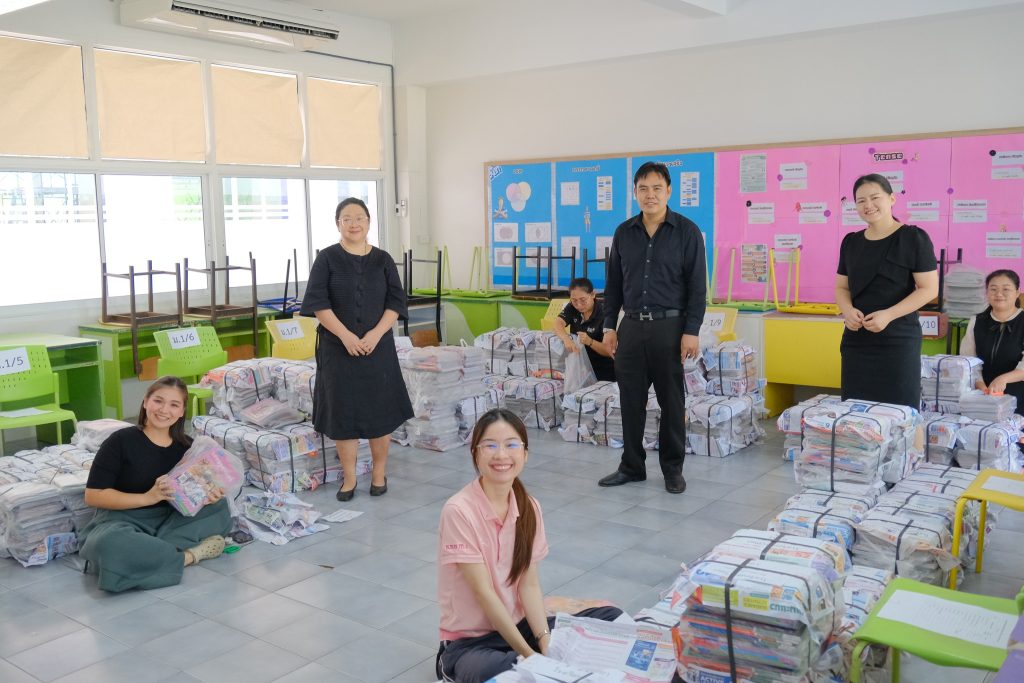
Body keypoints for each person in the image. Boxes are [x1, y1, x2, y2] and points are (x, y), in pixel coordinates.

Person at [436, 409, 622, 683]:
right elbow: (485, 594)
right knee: (514, 673)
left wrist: (545, 642)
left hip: (520, 626)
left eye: (511, 445)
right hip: (472, 644)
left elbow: (529, 585)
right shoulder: (459, 510)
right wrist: (530, 656)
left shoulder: (529, 507)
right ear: (475, 453)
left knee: (611, 618)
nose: (501, 455)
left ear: (525, 454)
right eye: (490, 445)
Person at [598, 162, 706, 494]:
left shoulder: (687, 232)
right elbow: (613, 285)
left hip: (670, 328)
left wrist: (692, 330)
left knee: (672, 403)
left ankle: (672, 469)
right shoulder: (623, 232)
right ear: (635, 192)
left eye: (657, 188)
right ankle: (632, 466)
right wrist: (609, 326)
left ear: (668, 191)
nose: (650, 195)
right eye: (643, 188)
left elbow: (697, 287)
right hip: (630, 327)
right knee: (630, 400)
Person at [301, 197, 413, 501]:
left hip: (378, 348)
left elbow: (395, 303)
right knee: (343, 415)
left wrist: (375, 334)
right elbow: (318, 303)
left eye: (360, 218)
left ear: (369, 222)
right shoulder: (327, 259)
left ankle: (379, 474)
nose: (354, 224)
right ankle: (349, 478)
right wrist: (346, 337)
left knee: (381, 413)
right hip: (338, 350)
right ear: (338, 224)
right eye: (347, 219)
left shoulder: (383, 260)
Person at [79, 376, 232, 593]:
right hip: (124, 520)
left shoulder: (188, 448)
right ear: (145, 402)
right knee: (109, 543)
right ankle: (189, 556)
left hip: (171, 519)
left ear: (182, 411)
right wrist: (148, 497)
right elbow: (93, 495)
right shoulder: (120, 441)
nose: (164, 410)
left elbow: (194, 495)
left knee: (220, 508)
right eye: (158, 401)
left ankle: (147, 554)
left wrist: (207, 495)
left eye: (174, 405)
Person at [835, 174, 939, 407]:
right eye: (861, 201)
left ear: (891, 199)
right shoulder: (851, 242)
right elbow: (841, 287)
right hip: (857, 339)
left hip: (898, 340)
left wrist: (889, 315)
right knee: (856, 410)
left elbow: (929, 289)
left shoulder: (913, 238)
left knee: (901, 411)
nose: (868, 205)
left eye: (875, 198)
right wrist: (847, 310)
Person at [960, 269, 1024, 415]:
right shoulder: (976, 321)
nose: (999, 294)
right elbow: (968, 360)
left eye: (1006, 289)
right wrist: (979, 384)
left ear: (1017, 292)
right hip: (983, 397)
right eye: (993, 289)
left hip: (1019, 398)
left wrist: (1003, 379)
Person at [552, 277, 615, 382]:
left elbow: (609, 351)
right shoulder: (572, 307)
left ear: (593, 294)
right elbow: (558, 323)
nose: (579, 305)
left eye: (583, 300)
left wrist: (590, 342)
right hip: (580, 368)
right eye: (574, 300)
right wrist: (566, 339)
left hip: (603, 371)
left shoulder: (605, 314)